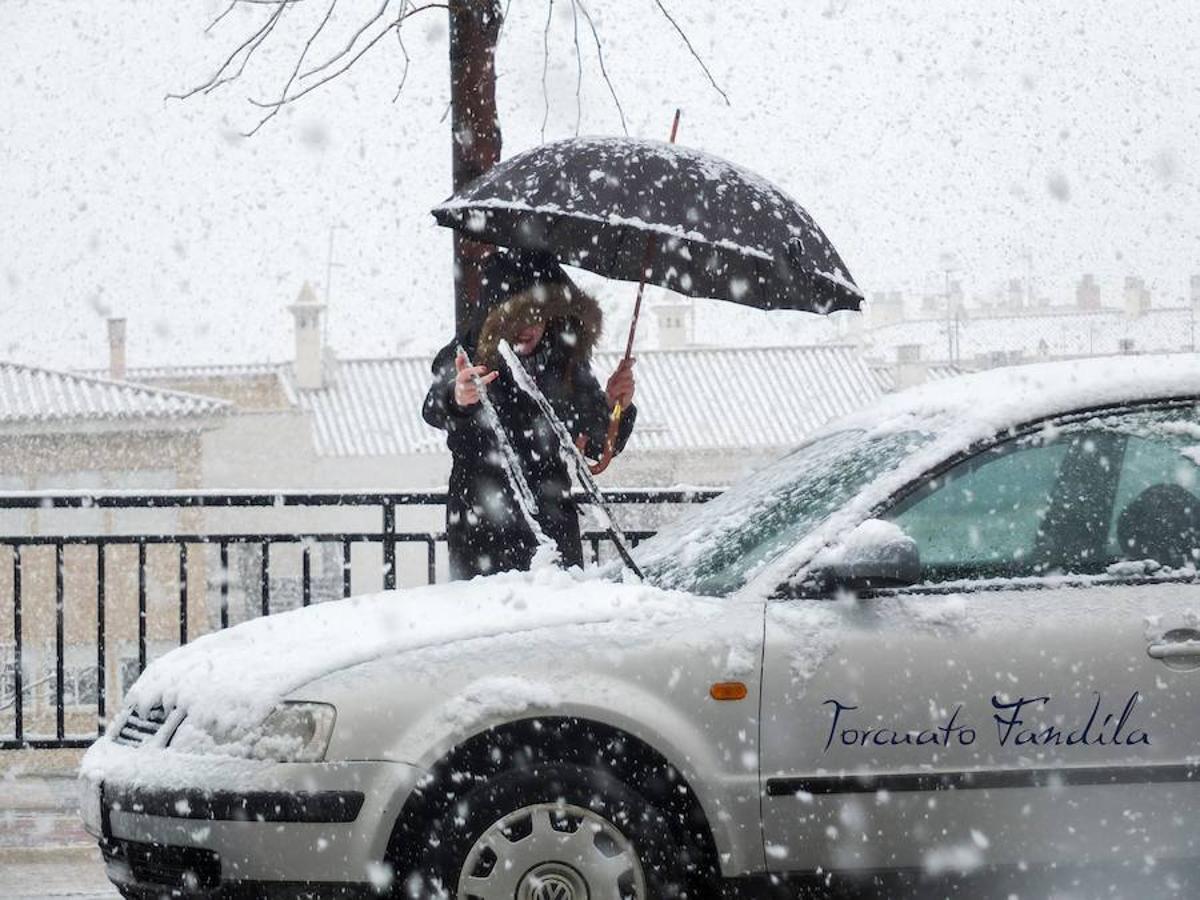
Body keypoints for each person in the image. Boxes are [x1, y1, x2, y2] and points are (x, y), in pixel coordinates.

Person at [423, 250, 637, 579]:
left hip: (553, 525)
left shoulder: (564, 363)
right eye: (517, 317)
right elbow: (433, 407)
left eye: (538, 315)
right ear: (497, 316)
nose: (528, 327)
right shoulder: (465, 351)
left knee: (558, 625)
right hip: (482, 529)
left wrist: (614, 404)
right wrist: (457, 397)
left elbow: (597, 444)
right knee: (489, 626)